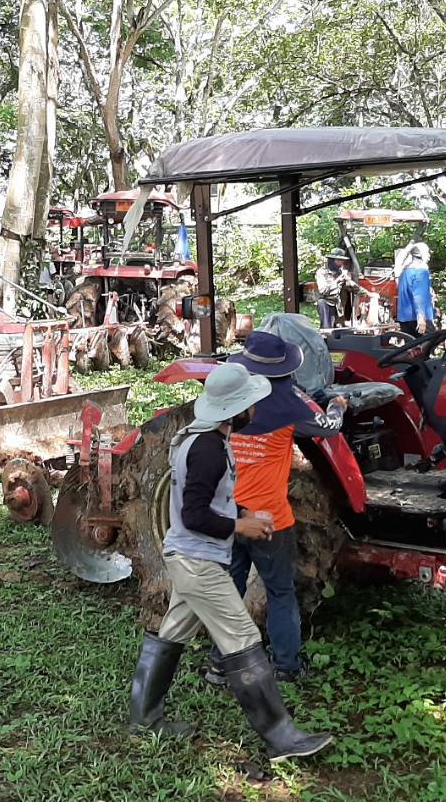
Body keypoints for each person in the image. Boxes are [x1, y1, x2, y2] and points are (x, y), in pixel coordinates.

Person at [127, 362, 332, 761]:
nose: (256, 410)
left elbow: (210, 503)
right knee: (243, 638)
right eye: (251, 404)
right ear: (235, 411)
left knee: (171, 634)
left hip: (187, 558)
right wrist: (243, 527)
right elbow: (193, 515)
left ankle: (143, 720)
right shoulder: (208, 452)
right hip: (197, 563)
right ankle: (282, 737)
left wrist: (246, 515)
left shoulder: (209, 440)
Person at [211, 332, 347, 683]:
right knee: (281, 593)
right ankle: (287, 666)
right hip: (269, 520)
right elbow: (329, 429)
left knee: (229, 591)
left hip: (230, 515)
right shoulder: (287, 406)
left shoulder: (229, 403)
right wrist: (338, 405)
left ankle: (219, 665)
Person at [395, 242, 436, 337]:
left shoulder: (404, 272)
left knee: (411, 349)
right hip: (417, 318)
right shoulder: (421, 271)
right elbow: (419, 295)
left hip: (404, 318)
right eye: (428, 252)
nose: (429, 255)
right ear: (421, 254)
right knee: (429, 344)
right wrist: (421, 316)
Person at [314, 250, 354, 330]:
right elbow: (323, 290)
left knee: (338, 328)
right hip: (325, 302)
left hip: (337, 303)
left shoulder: (340, 272)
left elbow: (352, 287)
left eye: (342, 261)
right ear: (332, 260)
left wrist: (367, 293)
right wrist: (337, 281)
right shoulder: (321, 272)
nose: (341, 263)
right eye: (338, 261)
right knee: (326, 327)